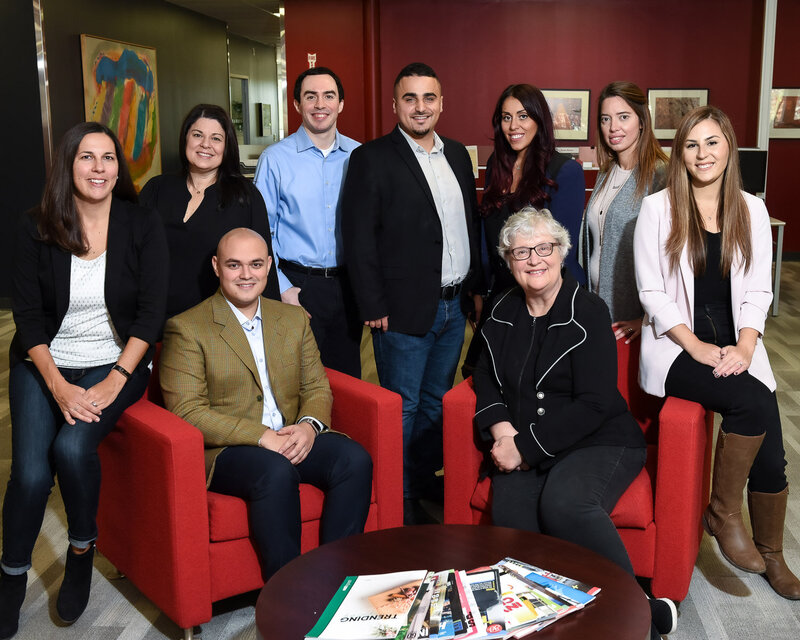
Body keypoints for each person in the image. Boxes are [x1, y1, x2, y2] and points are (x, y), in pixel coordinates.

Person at [473, 207, 676, 639]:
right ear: (508, 261)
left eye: (544, 248)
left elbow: (596, 403)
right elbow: (484, 380)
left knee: (564, 504)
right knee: (511, 516)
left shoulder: (588, 310)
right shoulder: (502, 309)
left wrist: (524, 448)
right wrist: (501, 430)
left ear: (562, 252)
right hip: (522, 437)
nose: (534, 260)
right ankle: (545, 623)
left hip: (598, 439)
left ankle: (637, 617)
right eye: (521, 252)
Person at [0, 122, 168, 638]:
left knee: (73, 449)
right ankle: (10, 576)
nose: (100, 168)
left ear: (120, 167)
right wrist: (58, 385)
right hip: (43, 362)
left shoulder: (142, 224)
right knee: (29, 475)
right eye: (87, 158)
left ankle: (80, 548)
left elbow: (150, 313)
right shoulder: (37, 227)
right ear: (67, 167)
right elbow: (27, 318)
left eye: (109, 158)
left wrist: (117, 378)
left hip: (116, 361)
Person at [634, 105, 799, 599]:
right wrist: (698, 347)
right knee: (753, 404)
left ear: (729, 147)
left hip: (737, 339)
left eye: (712, 142)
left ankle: (772, 554)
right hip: (677, 345)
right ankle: (723, 513)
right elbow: (651, 294)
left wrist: (746, 344)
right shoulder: (658, 208)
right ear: (679, 153)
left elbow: (758, 293)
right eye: (691, 144)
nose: (703, 154)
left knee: (773, 449)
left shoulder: (751, 208)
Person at [159, 227, 372, 580]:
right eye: (234, 265)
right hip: (232, 448)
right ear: (216, 266)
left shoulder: (291, 319)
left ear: (269, 266)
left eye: (256, 264)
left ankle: (339, 581)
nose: (246, 275)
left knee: (354, 459)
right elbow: (187, 411)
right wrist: (261, 437)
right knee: (275, 472)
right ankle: (288, 593)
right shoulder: (186, 328)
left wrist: (309, 426)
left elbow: (317, 385)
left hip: (290, 432)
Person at [341, 62, 481, 525]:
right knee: (402, 405)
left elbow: (469, 227)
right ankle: (397, 500)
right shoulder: (372, 158)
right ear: (395, 104)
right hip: (400, 310)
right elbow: (357, 236)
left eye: (429, 98)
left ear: (442, 102)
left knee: (437, 401)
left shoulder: (459, 155)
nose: (420, 107)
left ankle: (420, 482)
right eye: (410, 98)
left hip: (453, 305)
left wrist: (475, 288)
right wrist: (372, 303)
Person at [254, 67, 362, 377]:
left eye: (329, 96)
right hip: (297, 285)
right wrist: (283, 288)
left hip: (348, 286)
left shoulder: (359, 156)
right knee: (297, 378)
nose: (320, 105)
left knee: (348, 377)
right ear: (297, 104)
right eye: (310, 96)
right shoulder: (275, 159)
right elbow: (261, 232)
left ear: (340, 104)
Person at [140, 104, 279, 318]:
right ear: (185, 138)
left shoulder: (246, 196)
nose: (205, 144)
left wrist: (272, 325)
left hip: (218, 324)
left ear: (227, 146)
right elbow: (133, 256)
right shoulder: (156, 189)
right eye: (197, 135)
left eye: (216, 138)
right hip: (154, 318)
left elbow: (261, 264)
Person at [581, 81, 668, 343]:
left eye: (623, 117)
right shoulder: (606, 172)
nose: (613, 127)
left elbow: (672, 259)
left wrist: (648, 318)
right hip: (597, 306)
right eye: (606, 119)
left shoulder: (661, 174)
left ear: (642, 120)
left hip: (631, 317)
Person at [480, 84, 586, 292]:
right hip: (502, 290)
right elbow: (485, 233)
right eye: (506, 117)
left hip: (548, 292)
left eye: (523, 116)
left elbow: (562, 251)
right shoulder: (496, 165)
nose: (513, 126)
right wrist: (482, 288)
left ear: (539, 120)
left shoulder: (566, 171)